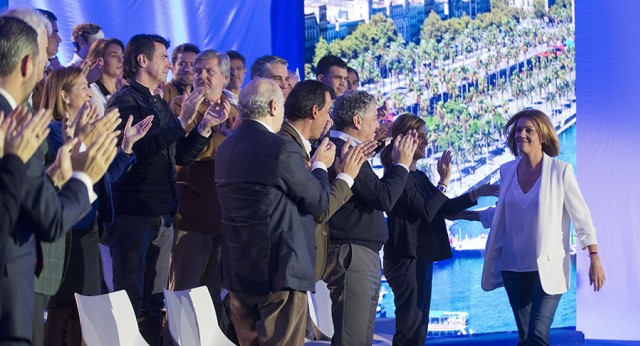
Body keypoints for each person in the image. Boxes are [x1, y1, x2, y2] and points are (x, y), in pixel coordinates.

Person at [0, 13, 118, 345]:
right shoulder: (15, 122)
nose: (45, 69)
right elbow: (49, 219)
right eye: (44, 58)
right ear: (26, 64)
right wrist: (83, 178)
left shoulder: (17, 117)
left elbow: (20, 193)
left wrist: (54, 174)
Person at [106, 33, 229, 345]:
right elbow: (139, 150)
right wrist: (183, 118)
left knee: (155, 301)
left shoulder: (159, 103)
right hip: (133, 214)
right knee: (129, 298)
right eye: (163, 57)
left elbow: (180, 154)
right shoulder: (124, 101)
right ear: (143, 61)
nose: (168, 64)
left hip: (161, 213)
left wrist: (203, 126)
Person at [459, 109, 605, 345]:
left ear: (543, 136)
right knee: (526, 337)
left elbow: (582, 217)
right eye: (518, 130)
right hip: (513, 267)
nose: (521, 134)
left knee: (538, 335)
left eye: (529, 130)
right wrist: (469, 215)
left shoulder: (561, 171)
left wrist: (594, 257)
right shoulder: (506, 171)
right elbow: (504, 214)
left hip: (548, 268)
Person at [215, 78, 334, 345]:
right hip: (278, 275)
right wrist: (321, 167)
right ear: (272, 107)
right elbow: (318, 202)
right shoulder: (280, 149)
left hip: (238, 274)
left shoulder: (225, 148)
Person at [40, 67, 152, 346]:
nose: (89, 92)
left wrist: (126, 146)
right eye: (82, 87)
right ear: (64, 96)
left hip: (88, 230)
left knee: (85, 312)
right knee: (62, 310)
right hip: (66, 232)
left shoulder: (85, 133)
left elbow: (102, 180)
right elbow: (70, 176)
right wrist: (83, 141)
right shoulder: (52, 132)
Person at [380, 114, 498, 345]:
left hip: (419, 256)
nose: (425, 142)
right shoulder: (398, 175)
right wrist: (443, 181)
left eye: (425, 136)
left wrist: (476, 193)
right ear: (404, 139)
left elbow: (444, 208)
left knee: (419, 325)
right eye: (420, 137)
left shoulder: (418, 176)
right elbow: (426, 210)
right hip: (405, 258)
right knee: (410, 326)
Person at [324, 90, 418, 345]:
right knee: (352, 339)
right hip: (352, 256)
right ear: (357, 121)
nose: (377, 125)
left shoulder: (345, 147)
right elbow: (383, 198)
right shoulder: (344, 150)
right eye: (374, 118)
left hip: (358, 254)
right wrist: (401, 164)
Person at [166, 49, 237, 341]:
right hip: (192, 214)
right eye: (197, 71)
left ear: (225, 77)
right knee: (183, 293)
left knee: (211, 296)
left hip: (224, 216)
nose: (202, 76)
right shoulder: (182, 106)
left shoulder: (235, 111)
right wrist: (226, 142)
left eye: (209, 71)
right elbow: (186, 151)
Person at [86, 38, 125, 116]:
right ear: (99, 60)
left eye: (122, 56)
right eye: (114, 56)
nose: (121, 60)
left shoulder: (123, 88)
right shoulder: (93, 91)